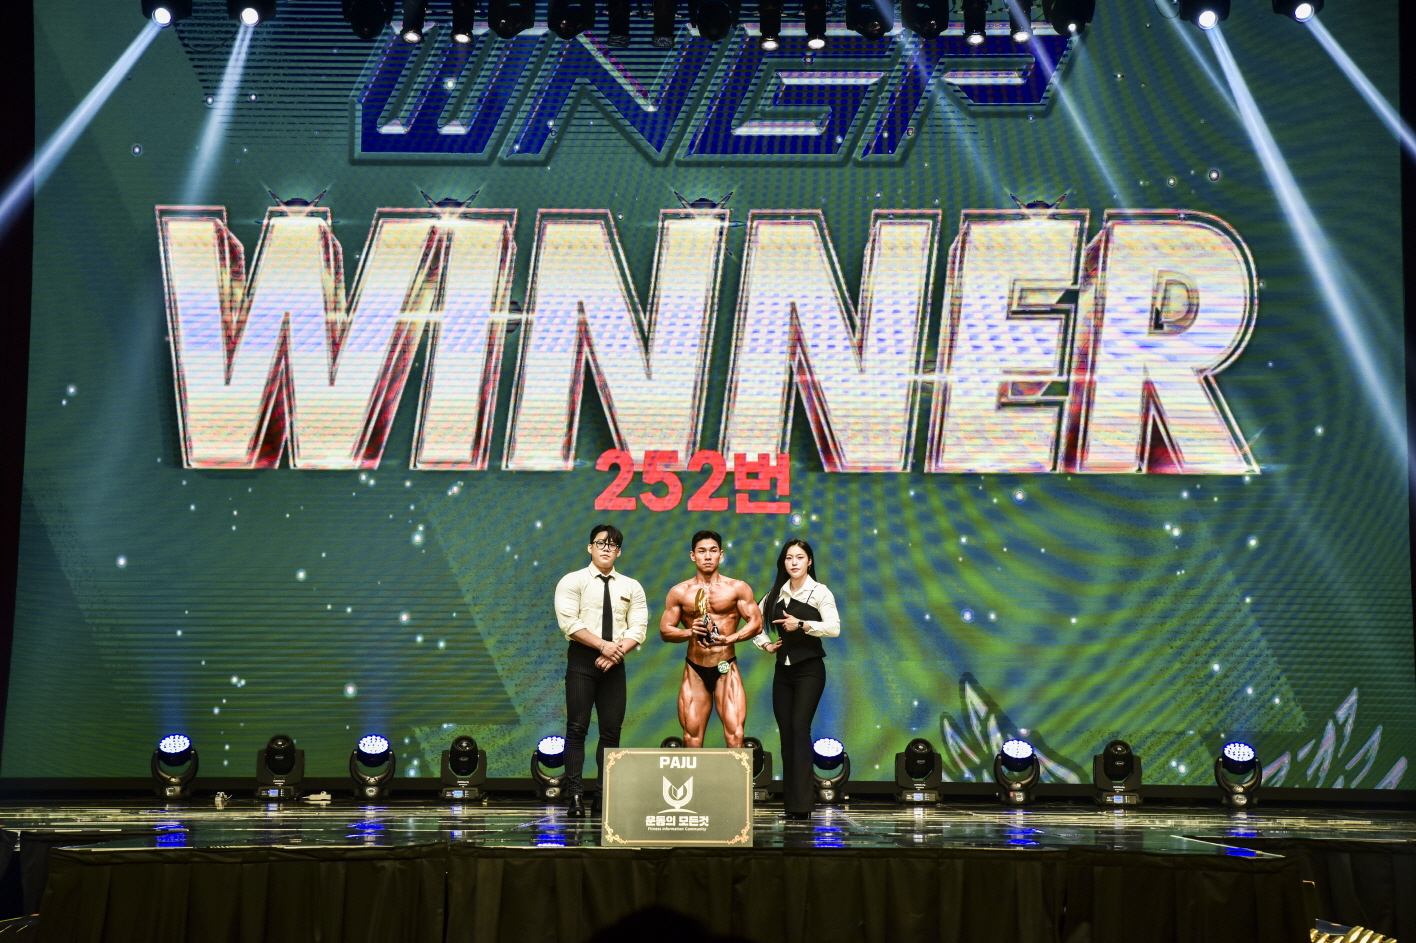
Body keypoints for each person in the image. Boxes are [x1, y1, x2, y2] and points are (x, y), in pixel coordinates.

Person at [553, 523, 648, 817]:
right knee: (576, 728)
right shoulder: (572, 581)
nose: (606, 549)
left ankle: (602, 796)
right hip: (582, 660)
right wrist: (603, 646)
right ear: (590, 547)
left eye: (612, 545)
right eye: (600, 543)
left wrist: (615, 651)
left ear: (619, 552)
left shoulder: (631, 586)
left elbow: (638, 627)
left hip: (615, 662)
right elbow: (569, 622)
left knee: (611, 731)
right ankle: (575, 796)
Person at [752, 538, 840, 819]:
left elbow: (834, 628)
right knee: (787, 733)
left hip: (810, 669)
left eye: (799, 557)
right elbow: (753, 621)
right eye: (789, 558)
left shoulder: (819, 591)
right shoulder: (775, 594)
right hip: (783, 672)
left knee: (800, 729)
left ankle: (803, 805)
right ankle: (791, 805)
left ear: (809, 561)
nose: (794, 562)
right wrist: (766, 644)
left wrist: (801, 624)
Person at [660, 530, 762, 748]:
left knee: (736, 734)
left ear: (721, 554)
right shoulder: (679, 592)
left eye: (713, 551)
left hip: (725, 665)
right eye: (702, 551)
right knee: (692, 737)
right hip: (695, 668)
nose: (707, 556)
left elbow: (756, 623)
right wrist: (689, 632)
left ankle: (736, 773)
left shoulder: (737, 588)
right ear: (693, 555)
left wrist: (730, 638)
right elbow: (665, 631)